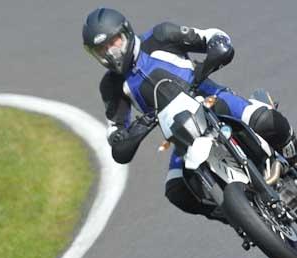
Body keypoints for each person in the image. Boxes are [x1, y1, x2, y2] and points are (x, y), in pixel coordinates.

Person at [82, 7, 297, 222]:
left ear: (126, 33)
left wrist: (217, 48)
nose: (111, 52)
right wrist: (123, 137)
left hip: (213, 101)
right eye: (102, 49)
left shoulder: (160, 36)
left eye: (114, 42)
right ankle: (240, 219)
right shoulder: (111, 86)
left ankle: (291, 152)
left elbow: (210, 36)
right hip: (183, 134)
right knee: (177, 190)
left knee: (264, 119)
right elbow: (115, 129)